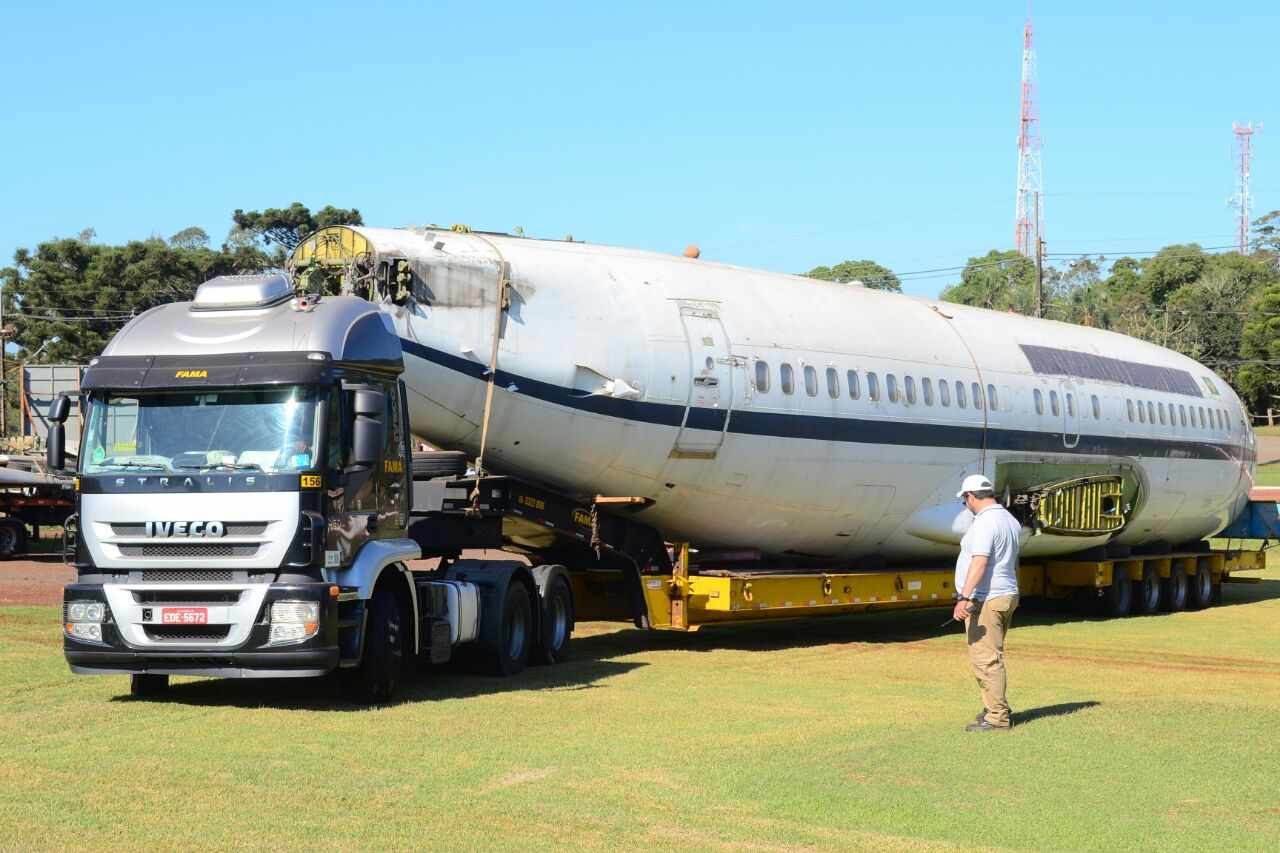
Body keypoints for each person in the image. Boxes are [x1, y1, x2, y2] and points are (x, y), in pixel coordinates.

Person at [950, 474, 1022, 732]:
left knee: (986, 659)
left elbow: (979, 562)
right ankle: (995, 706)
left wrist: (964, 597)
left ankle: (997, 717)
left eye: (965, 500)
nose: (966, 505)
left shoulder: (984, 523)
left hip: (986, 599)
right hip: (1005, 594)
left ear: (970, 497)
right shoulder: (1009, 520)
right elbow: (1013, 561)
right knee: (992, 656)